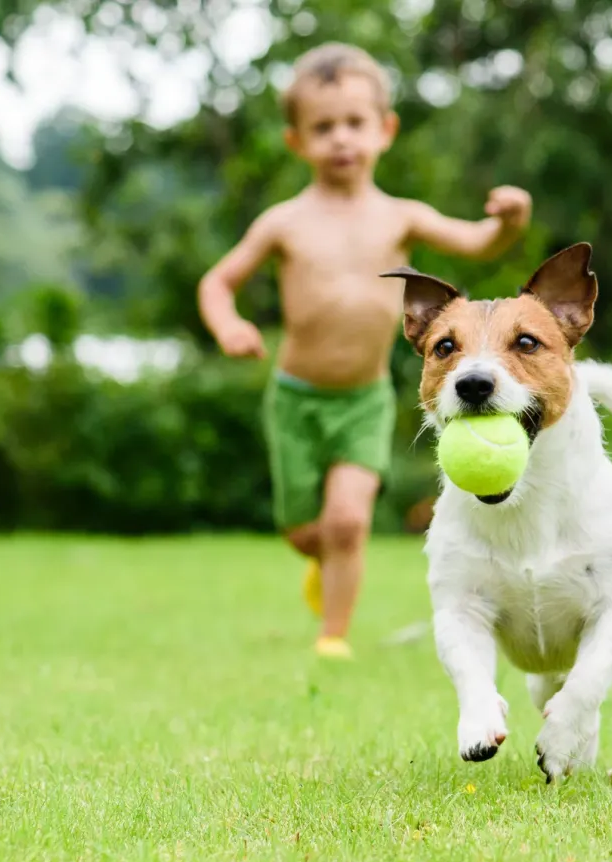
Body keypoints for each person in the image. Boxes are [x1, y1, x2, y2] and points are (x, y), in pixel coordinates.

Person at [197, 42, 532, 660]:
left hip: (365, 400)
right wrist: (229, 326)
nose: (341, 139)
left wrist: (510, 221)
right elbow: (217, 282)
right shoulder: (284, 222)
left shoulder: (399, 217)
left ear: (385, 131)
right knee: (307, 531)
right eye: (323, 128)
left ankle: (333, 637)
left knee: (348, 522)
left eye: (354, 124)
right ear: (297, 141)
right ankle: (317, 558)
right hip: (295, 398)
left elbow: (478, 242)